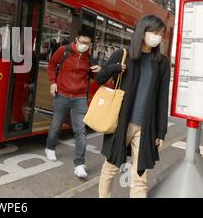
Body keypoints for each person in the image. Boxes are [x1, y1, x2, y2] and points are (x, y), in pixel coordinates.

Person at [95, 15, 170, 198]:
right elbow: (99, 78)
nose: (158, 37)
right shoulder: (123, 55)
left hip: (145, 127)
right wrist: (114, 69)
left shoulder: (162, 62)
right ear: (142, 32)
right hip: (122, 124)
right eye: (154, 32)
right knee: (110, 170)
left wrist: (161, 132)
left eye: (160, 33)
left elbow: (162, 98)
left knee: (140, 176)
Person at [45, 30, 102, 179]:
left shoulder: (89, 58)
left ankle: (79, 165)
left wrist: (98, 71)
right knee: (56, 124)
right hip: (62, 94)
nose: (84, 46)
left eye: (87, 44)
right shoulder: (64, 51)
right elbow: (51, 65)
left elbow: (93, 77)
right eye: (82, 42)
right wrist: (52, 82)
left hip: (80, 97)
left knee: (80, 130)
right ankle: (50, 147)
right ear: (76, 40)